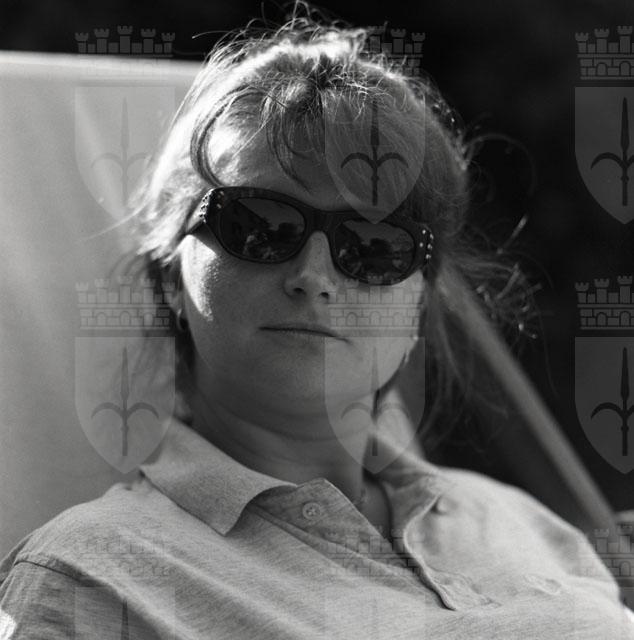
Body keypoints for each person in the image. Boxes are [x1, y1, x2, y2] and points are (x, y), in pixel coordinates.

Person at [1, 8, 633, 639]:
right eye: (260, 224)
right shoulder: (93, 578)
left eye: (375, 245)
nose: (314, 275)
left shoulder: (522, 521)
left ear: (418, 303)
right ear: (170, 276)